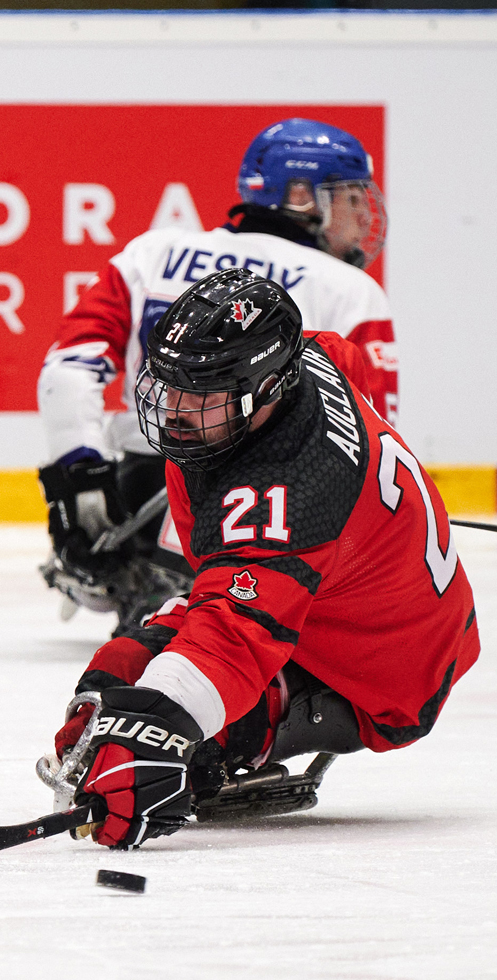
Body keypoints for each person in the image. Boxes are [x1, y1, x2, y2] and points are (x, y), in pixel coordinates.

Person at [42, 268, 477, 849]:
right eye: (172, 384)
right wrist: (368, 516)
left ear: (265, 390)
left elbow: (235, 636)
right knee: (117, 670)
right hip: (345, 598)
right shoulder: (309, 357)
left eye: (202, 393)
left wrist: (155, 732)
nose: (174, 410)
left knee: (163, 727)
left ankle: (259, 727)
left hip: (388, 667)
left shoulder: (281, 496)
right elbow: (356, 366)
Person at [37, 118, 397, 634]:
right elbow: (372, 444)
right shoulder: (349, 289)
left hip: (137, 488)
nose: (363, 218)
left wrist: (81, 487)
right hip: (263, 507)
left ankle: (130, 562)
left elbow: (68, 370)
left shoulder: (151, 253)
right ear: (300, 196)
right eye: (350, 198)